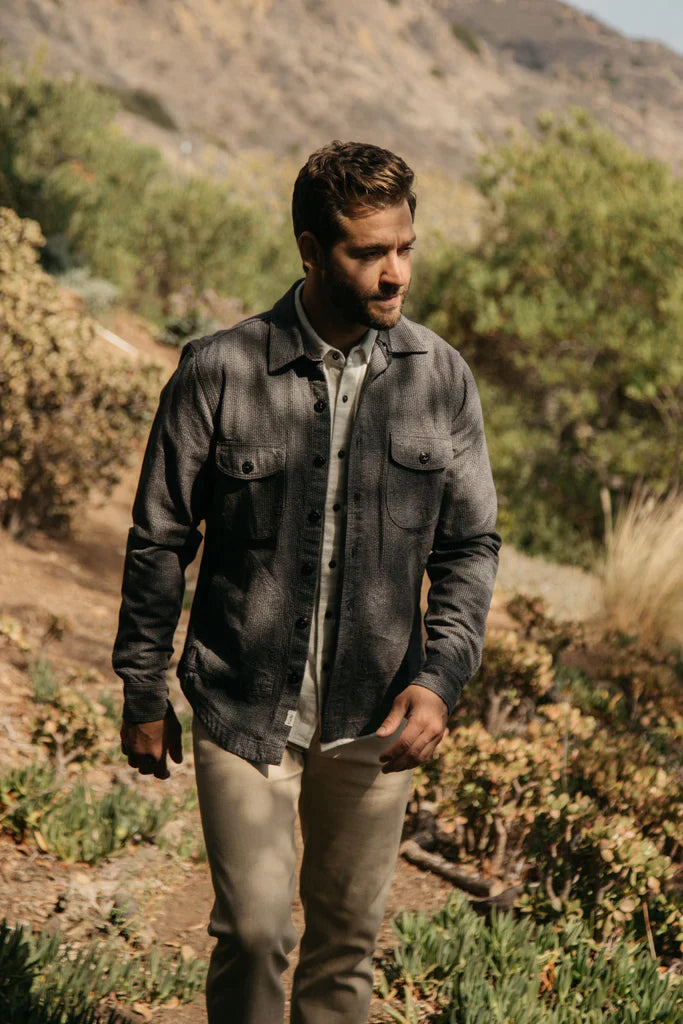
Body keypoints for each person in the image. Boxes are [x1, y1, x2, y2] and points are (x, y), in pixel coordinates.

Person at [113, 140, 500, 1024]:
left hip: (377, 714)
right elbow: (160, 538)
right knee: (255, 934)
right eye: (369, 253)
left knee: (344, 946)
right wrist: (142, 684)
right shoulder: (220, 370)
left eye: (404, 247)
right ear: (310, 250)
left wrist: (440, 678)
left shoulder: (441, 380)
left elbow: (469, 545)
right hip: (242, 702)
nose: (395, 273)